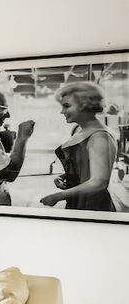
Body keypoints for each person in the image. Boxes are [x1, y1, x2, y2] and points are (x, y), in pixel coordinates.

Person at [40, 82, 116, 211]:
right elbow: (84, 167)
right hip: (78, 200)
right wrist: (66, 177)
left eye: (67, 106)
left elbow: (99, 182)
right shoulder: (78, 130)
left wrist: (58, 196)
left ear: (85, 105)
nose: (62, 111)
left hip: (93, 205)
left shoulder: (99, 137)